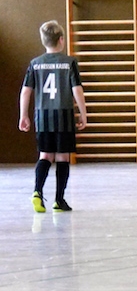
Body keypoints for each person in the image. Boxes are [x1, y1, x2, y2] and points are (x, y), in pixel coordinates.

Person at [18, 20, 87, 213]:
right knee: (63, 157)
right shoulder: (69, 62)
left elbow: (26, 91)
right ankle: (59, 200)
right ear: (61, 40)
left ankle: (37, 192)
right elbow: (77, 89)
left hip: (43, 116)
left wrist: (23, 115)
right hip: (63, 115)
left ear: (43, 40)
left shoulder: (35, 64)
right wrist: (83, 113)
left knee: (45, 155)